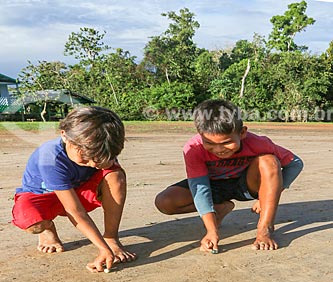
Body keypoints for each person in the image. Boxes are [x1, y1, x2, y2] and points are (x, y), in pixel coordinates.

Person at [155, 99, 303, 251]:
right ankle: (221, 207)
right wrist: (211, 231)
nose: (219, 149)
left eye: (226, 142)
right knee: (164, 202)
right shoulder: (193, 148)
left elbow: (295, 163)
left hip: (245, 185)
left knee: (269, 161)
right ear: (200, 135)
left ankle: (264, 229)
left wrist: (265, 196)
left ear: (242, 133)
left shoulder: (258, 142)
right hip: (212, 185)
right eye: (210, 143)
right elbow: (200, 189)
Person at [12, 106, 136, 272]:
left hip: (78, 190)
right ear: (64, 135)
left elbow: (107, 172)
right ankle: (48, 228)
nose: (93, 164)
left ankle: (111, 237)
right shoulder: (49, 158)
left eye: (99, 159)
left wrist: (108, 243)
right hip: (43, 196)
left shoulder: (102, 146)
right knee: (31, 222)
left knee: (115, 176)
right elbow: (75, 211)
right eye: (86, 158)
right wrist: (102, 249)